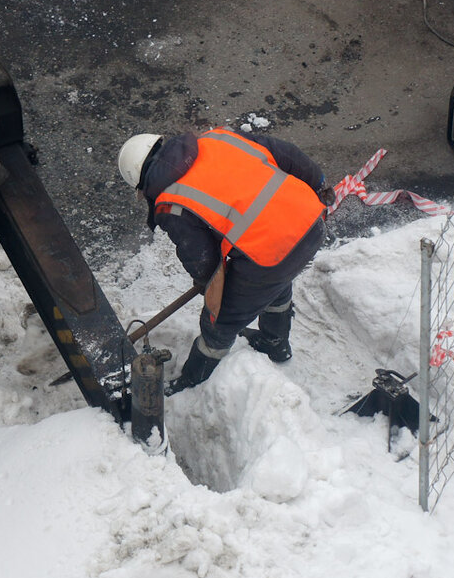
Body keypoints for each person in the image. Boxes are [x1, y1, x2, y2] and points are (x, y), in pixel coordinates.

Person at [117, 128, 336, 394]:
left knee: (219, 320)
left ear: (140, 185)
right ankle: (274, 341)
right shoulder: (216, 138)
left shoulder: (170, 202)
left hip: (272, 253)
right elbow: (286, 153)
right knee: (273, 282)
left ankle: (192, 385)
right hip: (311, 220)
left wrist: (208, 284)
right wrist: (319, 182)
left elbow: (200, 257)